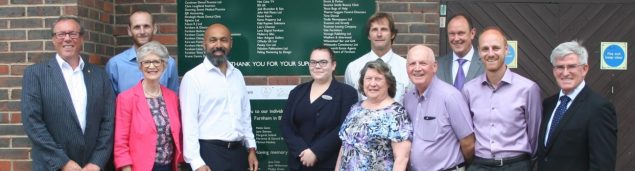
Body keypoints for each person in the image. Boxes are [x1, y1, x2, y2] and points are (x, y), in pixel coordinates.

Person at [21, 15, 115, 171]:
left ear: (82, 39)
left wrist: (97, 161)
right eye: (61, 34)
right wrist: (63, 162)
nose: (67, 39)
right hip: (52, 166)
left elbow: (108, 121)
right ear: (53, 40)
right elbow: (32, 123)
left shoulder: (100, 75)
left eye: (73, 34)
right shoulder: (35, 74)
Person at [180, 23, 258, 171]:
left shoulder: (237, 75)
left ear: (230, 43)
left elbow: (245, 115)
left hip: (238, 154)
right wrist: (196, 162)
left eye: (223, 40)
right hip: (209, 154)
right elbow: (189, 124)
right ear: (204, 44)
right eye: (213, 40)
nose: (218, 45)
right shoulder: (193, 78)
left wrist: (251, 148)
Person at [462, 27, 542, 171]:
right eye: (485, 49)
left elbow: (534, 135)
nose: (491, 53)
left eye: (496, 48)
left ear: (506, 50)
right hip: (480, 165)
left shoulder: (528, 89)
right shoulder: (469, 90)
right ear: (479, 52)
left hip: (516, 165)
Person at [537, 41, 617, 170]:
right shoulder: (548, 104)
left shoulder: (599, 108)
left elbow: (603, 164)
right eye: (560, 67)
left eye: (571, 66)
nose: (565, 73)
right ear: (553, 70)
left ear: (584, 69)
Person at [281, 46, 358, 171]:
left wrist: (316, 152)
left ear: (333, 65)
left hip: (330, 163)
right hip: (299, 162)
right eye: (313, 62)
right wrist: (302, 151)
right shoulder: (297, 92)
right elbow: (286, 125)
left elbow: (345, 127)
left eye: (323, 62)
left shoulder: (347, 93)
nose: (317, 66)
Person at [114, 41, 183, 171]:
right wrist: (126, 168)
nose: (152, 66)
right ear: (140, 66)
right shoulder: (126, 98)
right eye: (146, 62)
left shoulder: (172, 97)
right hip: (140, 167)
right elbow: (120, 142)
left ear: (164, 65)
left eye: (157, 61)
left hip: (168, 166)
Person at [403, 45, 475, 171]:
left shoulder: (450, 97)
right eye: (412, 64)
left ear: (434, 67)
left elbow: (468, 143)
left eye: (423, 63)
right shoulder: (408, 98)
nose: (417, 68)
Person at [336, 60, 413, 171]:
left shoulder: (397, 113)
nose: (372, 84)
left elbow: (401, 159)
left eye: (378, 79)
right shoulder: (355, 108)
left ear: (388, 83)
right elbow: (344, 147)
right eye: (368, 79)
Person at [106, 10, 179, 94]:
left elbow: (173, 99)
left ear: (154, 29)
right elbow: (110, 103)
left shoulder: (168, 63)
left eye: (146, 26)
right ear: (129, 31)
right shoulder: (115, 64)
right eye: (137, 27)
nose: (142, 32)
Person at [344, 12, 411, 103]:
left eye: (384, 29)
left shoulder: (407, 67)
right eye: (374, 29)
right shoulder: (353, 68)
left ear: (392, 34)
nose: (379, 34)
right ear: (369, 35)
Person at [437, 13, 484, 90]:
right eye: (452, 34)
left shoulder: (485, 63)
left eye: (461, 33)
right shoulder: (438, 65)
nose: (456, 38)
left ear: (472, 33)